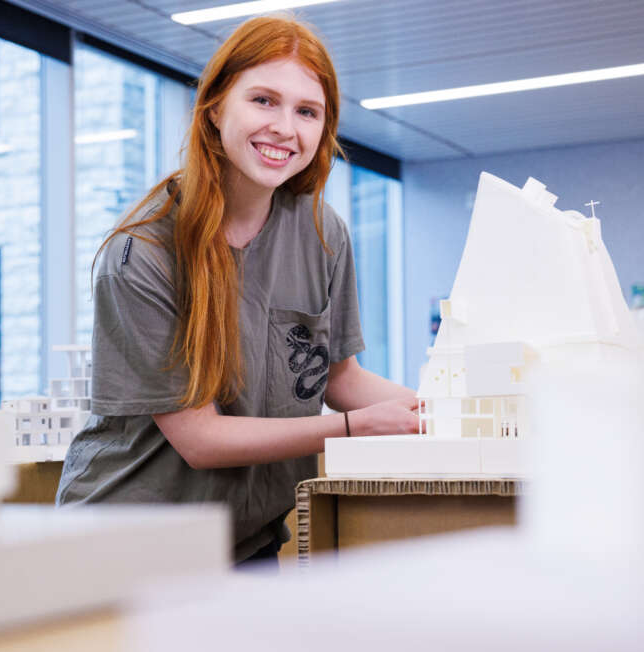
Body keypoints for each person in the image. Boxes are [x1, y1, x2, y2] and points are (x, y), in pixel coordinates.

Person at [56, 15, 419, 566]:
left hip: (245, 540)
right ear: (215, 108)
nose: (284, 128)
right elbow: (199, 440)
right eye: (263, 100)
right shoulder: (145, 253)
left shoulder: (323, 232)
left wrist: (442, 411)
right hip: (125, 549)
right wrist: (352, 429)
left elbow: (341, 377)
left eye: (307, 111)